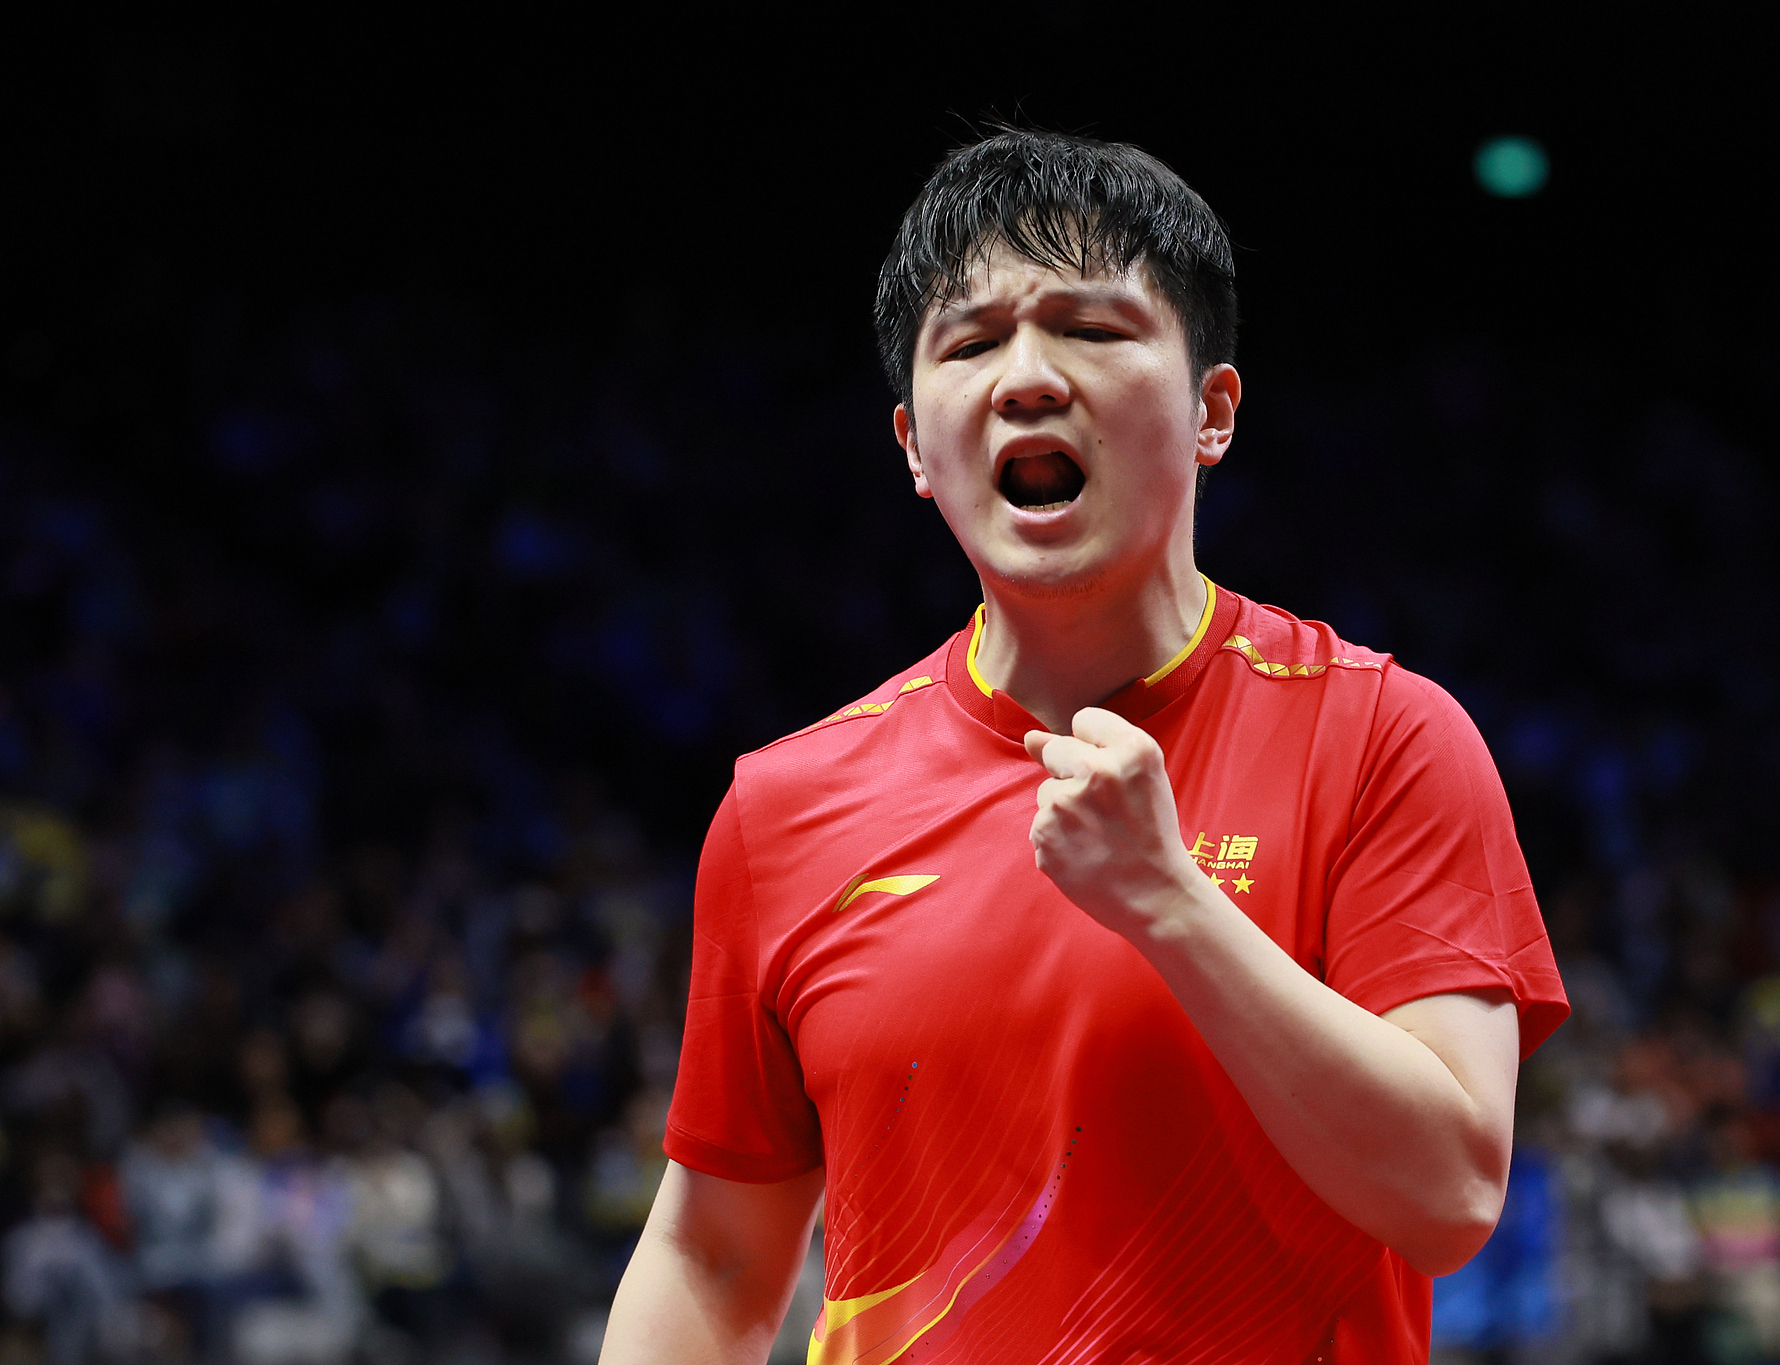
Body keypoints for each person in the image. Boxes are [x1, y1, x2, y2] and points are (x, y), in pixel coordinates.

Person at [601, 127, 1569, 1364]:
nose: (1026, 376)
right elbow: (715, 1255)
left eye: (1092, 330)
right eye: (970, 341)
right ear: (911, 444)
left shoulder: (1380, 737)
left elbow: (1446, 1193)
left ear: (1210, 408)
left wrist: (1168, 902)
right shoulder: (783, 807)